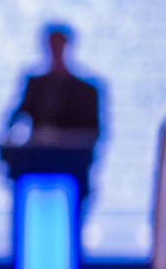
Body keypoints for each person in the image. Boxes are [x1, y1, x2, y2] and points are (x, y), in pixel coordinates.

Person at [6, 23, 102, 198]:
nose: (55, 50)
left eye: (59, 45)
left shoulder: (86, 90)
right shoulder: (35, 85)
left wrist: (61, 138)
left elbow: (95, 132)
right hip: (36, 165)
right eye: (51, 45)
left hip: (72, 167)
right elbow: (16, 117)